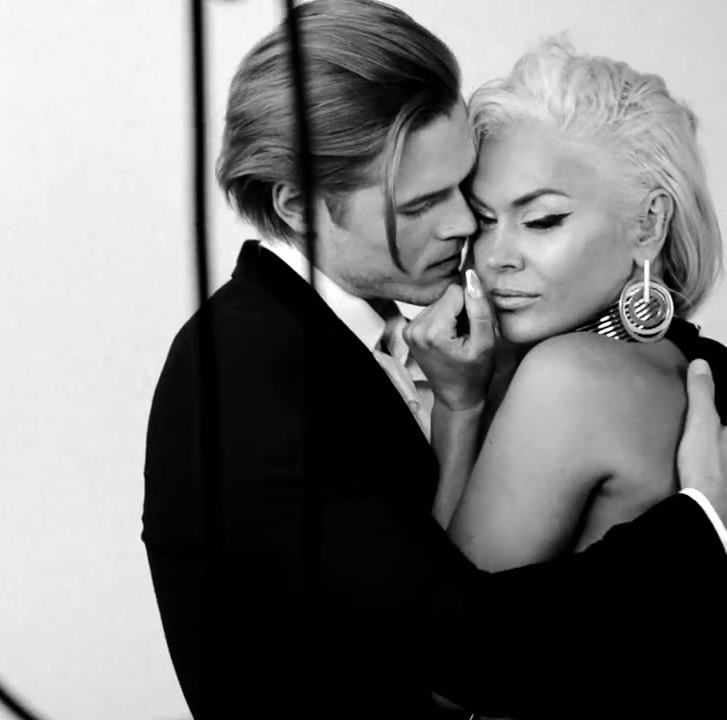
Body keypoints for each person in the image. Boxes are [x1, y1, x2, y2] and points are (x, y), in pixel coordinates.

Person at [140, 2, 727, 718]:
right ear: (298, 206)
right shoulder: (247, 369)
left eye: (463, 192)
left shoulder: (467, 355)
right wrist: (702, 523)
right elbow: (472, 655)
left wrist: (460, 407)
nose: (465, 231)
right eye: (423, 204)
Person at [407, 38, 727, 576]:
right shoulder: (685, 367)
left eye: (542, 221)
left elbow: (439, 620)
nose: (496, 256)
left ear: (648, 224)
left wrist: (457, 411)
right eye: (484, 220)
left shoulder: (568, 378)